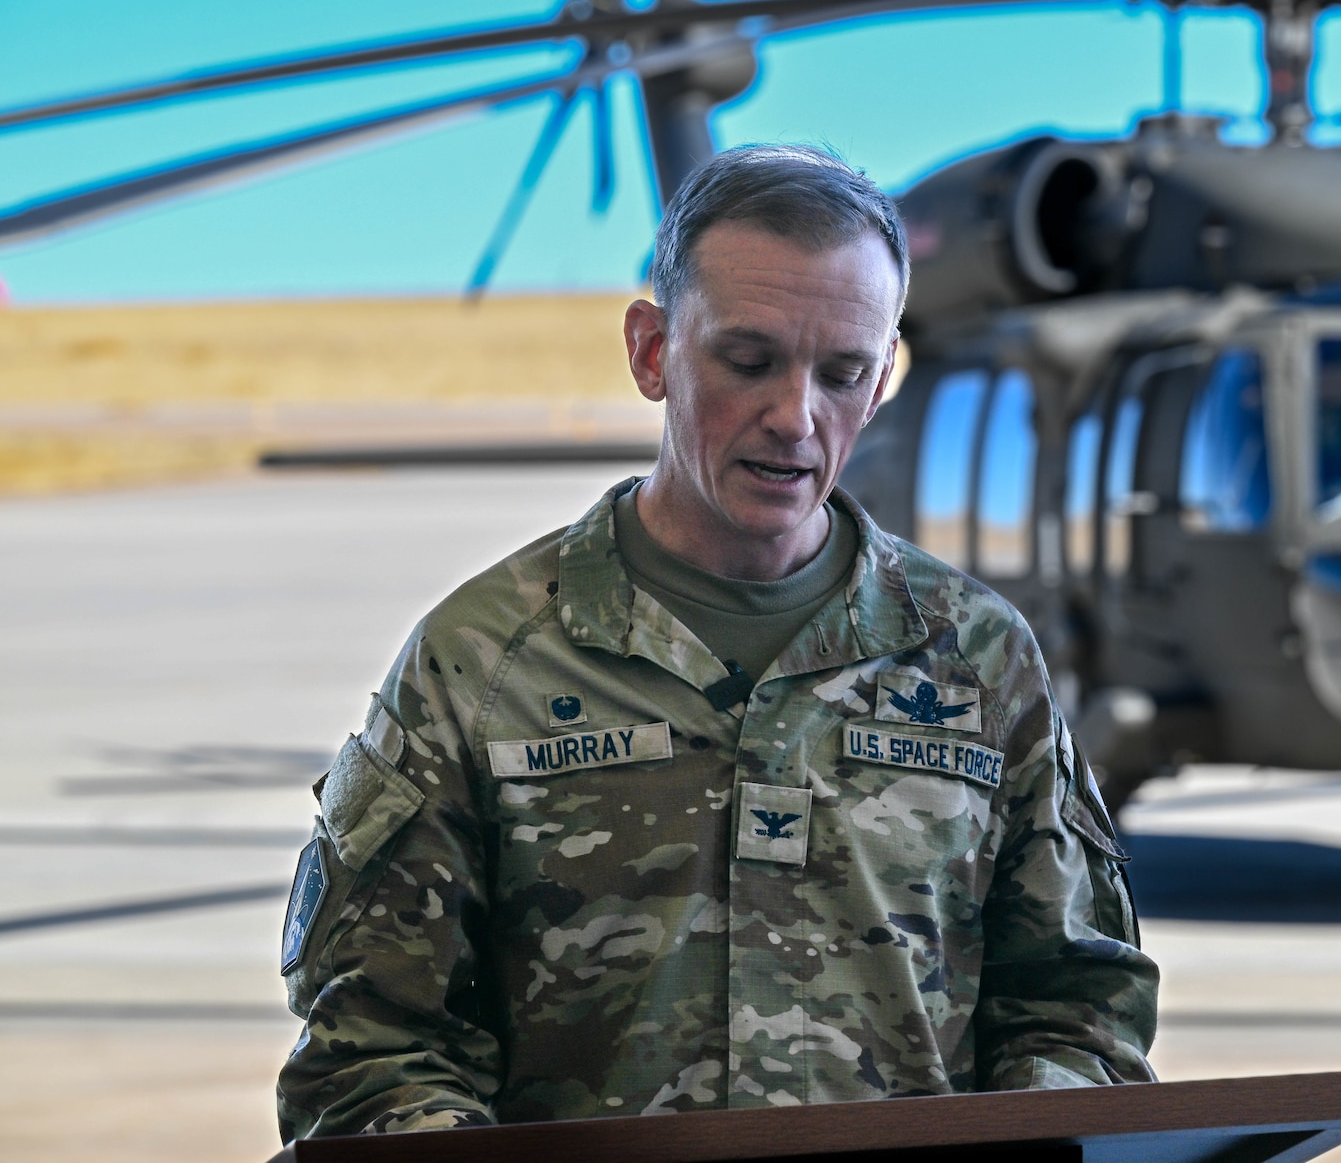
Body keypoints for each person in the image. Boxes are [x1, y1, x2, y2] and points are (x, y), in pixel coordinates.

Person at [275, 145, 1157, 1138]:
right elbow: (373, 1051)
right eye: (747, 361)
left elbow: (1075, 1012)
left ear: (880, 386)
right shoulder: (484, 663)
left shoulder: (976, 659)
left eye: (841, 373)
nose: (794, 416)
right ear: (652, 351)